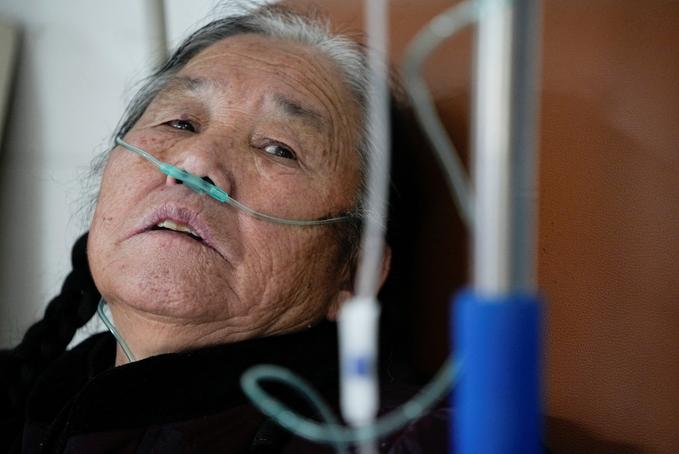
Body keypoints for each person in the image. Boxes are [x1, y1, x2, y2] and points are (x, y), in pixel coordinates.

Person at [0, 4, 449, 453]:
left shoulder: (403, 442)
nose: (195, 162)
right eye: (180, 123)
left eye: (278, 149)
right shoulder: (42, 402)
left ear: (355, 270)